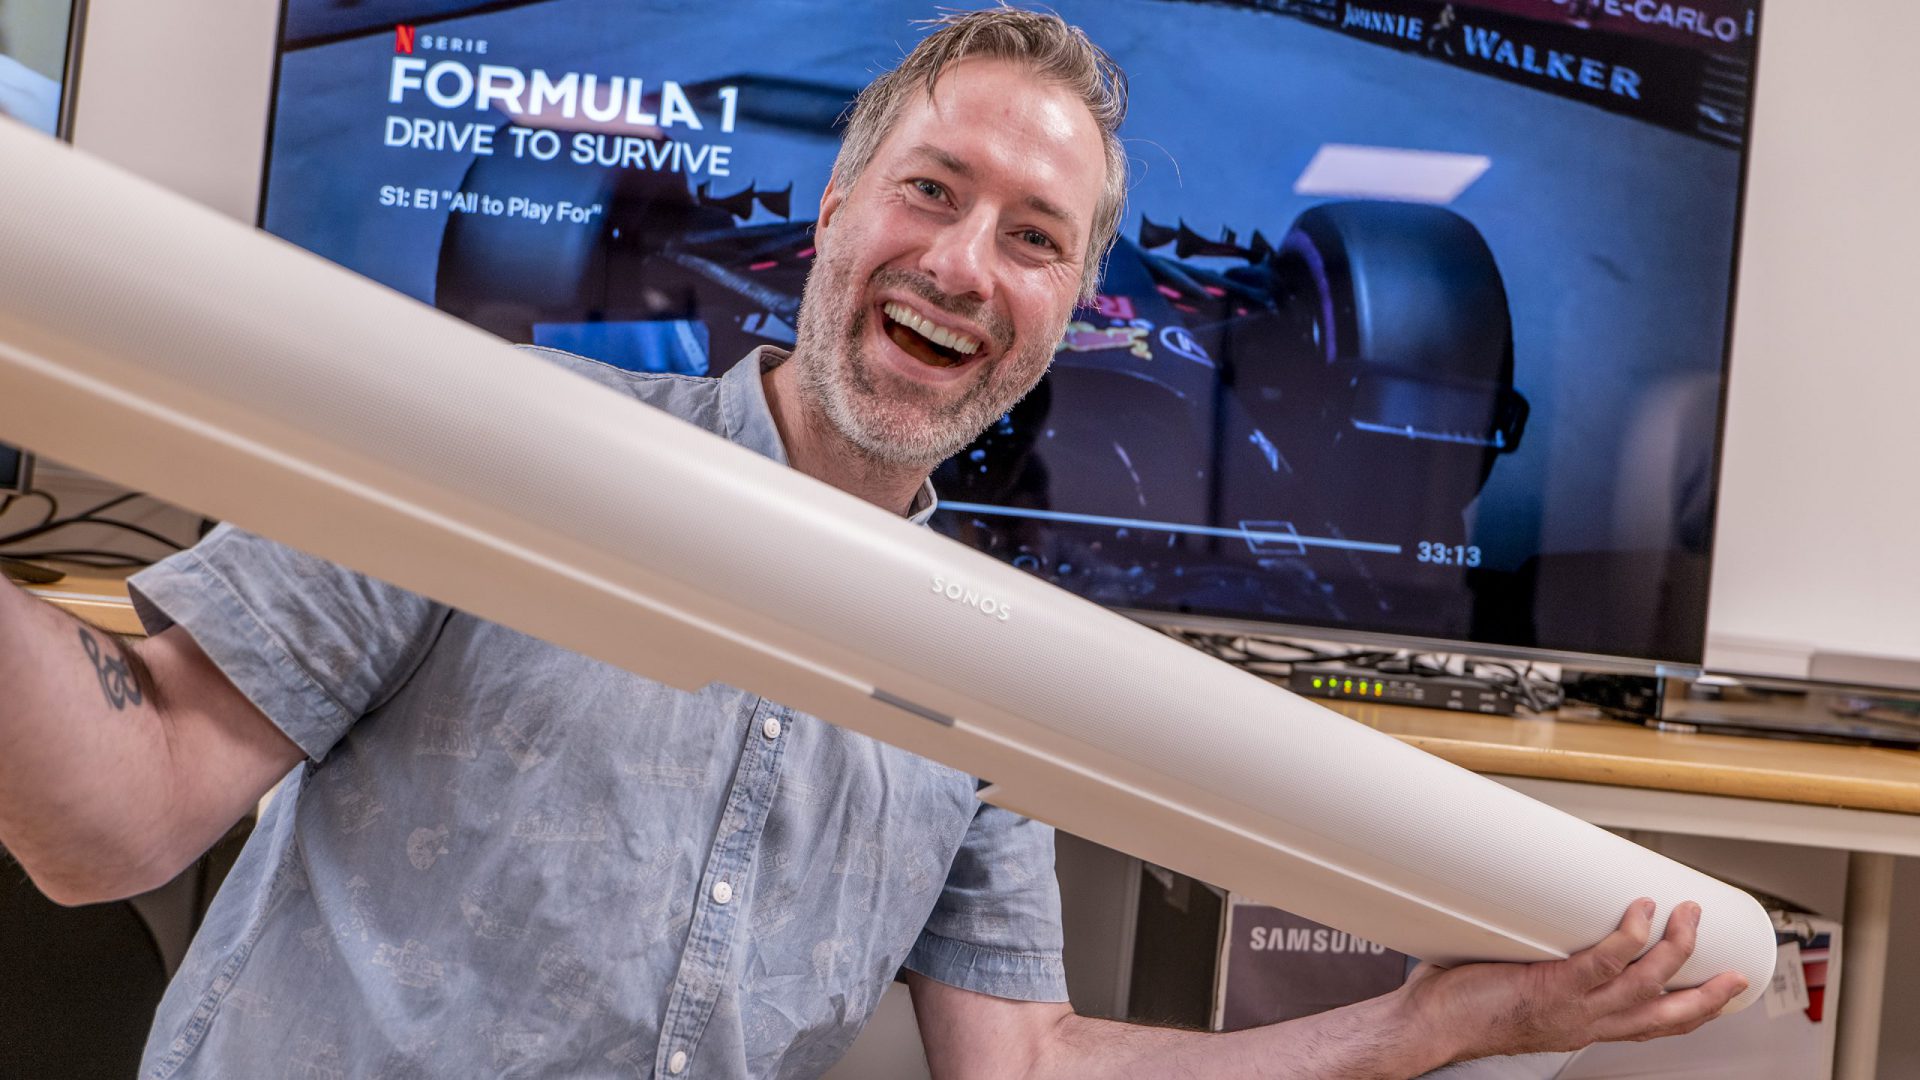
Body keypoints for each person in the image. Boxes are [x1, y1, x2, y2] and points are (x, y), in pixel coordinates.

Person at [0, 8, 1746, 1078]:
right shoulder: (499, 454)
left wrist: (1441, 1025)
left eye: (1035, 238)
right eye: (930, 191)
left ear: (1073, 305)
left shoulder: (991, 670)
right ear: (834, 209)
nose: (965, 266)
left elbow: (1027, 1066)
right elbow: (115, 819)